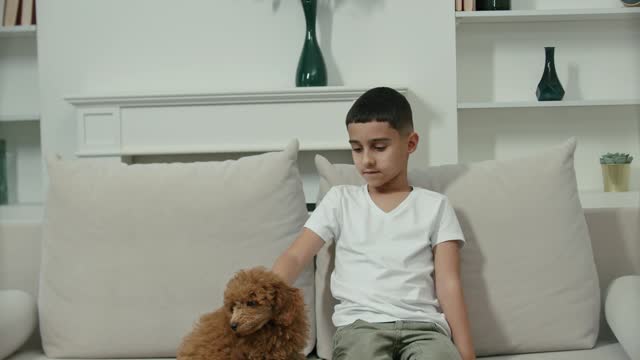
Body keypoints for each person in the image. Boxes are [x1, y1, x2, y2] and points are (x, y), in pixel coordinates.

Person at [272, 87, 475, 360]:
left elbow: (448, 282)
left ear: (411, 143)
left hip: (425, 329)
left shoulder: (435, 206)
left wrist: (466, 353)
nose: (366, 159)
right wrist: (263, 295)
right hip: (360, 328)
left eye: (379, 147)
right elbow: (296, 256)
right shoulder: (340, 200)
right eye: (357, 148)